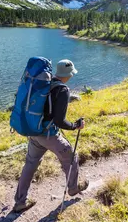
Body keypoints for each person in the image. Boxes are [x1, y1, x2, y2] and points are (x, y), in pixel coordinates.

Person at [13, 59, 89, 213]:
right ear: (68, 74)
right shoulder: (62, 90)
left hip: (34, 132)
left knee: (30, 164)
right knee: (71, 157)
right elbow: (59, 121)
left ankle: (20, 201)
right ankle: (73, 188)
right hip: (49, 135)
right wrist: (75, 126)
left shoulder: (46, 83)